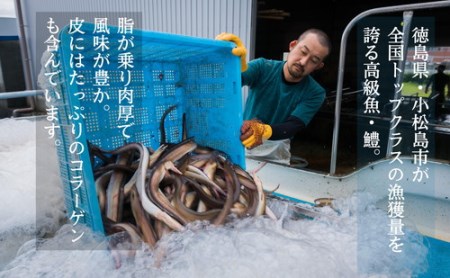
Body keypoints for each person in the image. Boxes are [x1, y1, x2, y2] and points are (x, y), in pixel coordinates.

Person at [216, 29, 331, 165]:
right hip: (245, 142)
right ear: (293, 45)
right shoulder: (263, 67)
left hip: (277, 152)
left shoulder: (315, 92)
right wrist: (229, 63)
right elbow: (230, 83)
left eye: (314, 60)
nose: (303, 62)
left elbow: (293, 125)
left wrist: (264, 130)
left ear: (318, 66)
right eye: (303, 52)